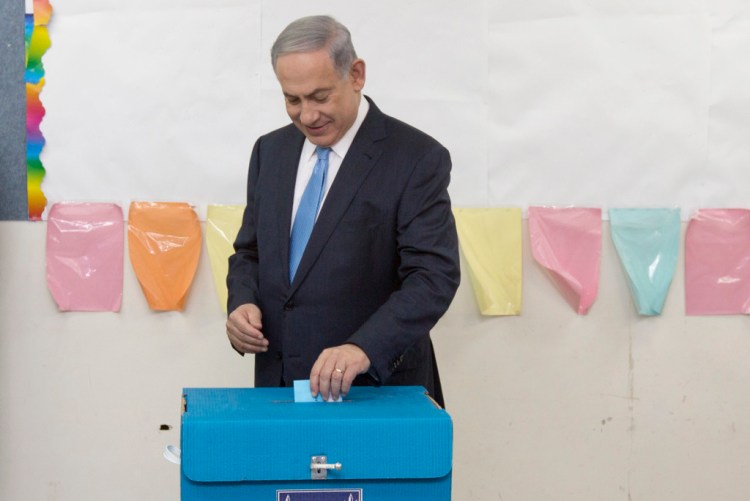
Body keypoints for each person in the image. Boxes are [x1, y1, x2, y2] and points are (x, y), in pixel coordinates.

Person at [225, 15, 459, 406]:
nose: (307, 116)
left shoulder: (417, 158)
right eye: (292, 99)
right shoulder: (270, 151)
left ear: (356, 74)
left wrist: (362, 348)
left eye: (320, 97)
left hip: (375, 391)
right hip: (278, 390)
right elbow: (250, 252)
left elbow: (433, 277)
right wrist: (242, 302)